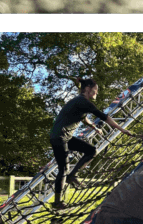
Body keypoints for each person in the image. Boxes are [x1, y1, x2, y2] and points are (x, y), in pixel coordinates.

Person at [50, 78, 135, 210]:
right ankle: (57, 201)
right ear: (88, 89)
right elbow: (104, 116)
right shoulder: (83, 101)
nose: (96, 94)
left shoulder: (79, 102)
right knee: (63, 169)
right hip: (59, 137)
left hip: (64, 137)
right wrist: (122, 129)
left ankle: (73, 176)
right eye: (95, 91)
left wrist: (94, 128)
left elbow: (83, 117)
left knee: (91, 151)